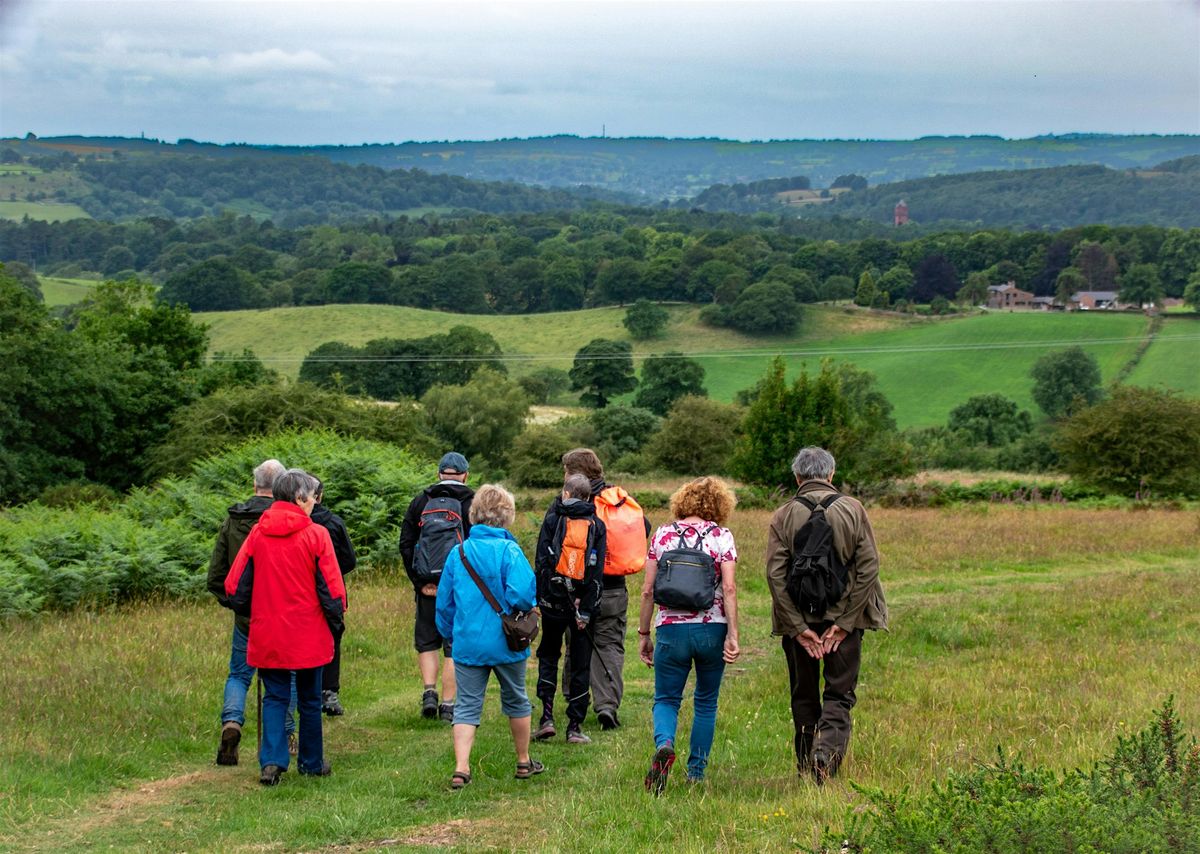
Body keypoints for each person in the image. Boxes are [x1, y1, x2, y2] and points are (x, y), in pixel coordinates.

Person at [765, 447, 888, 784]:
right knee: (839, 693)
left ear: (797, 477)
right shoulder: (853, 509)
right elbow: (868, 568)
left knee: (803, 694)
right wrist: (846, 623)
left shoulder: (783, 515)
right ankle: (826, 756)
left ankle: (807, 764)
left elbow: (775, 575)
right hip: (844, 621)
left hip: (798, 624)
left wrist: (797, 626)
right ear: (831, 474)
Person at [225, 468, 347, 786]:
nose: (312, 504)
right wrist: (337, 621)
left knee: (275, 697)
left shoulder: (257, 534)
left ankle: (272, 763)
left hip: (268, 631)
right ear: (298, 498)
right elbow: (333, 590)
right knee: (308, 699)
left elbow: (234, 585)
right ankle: (311, 761)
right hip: (309, 631)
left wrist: (255, 610)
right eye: (310, 497)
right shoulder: (316, 534)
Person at [434, 484, 542, 789]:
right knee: (516, 699)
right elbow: (522, 595)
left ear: (474, 514)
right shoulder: (510, 550)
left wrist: (450, 634)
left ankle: (461, 768)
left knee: (467, 705)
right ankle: (523, 761)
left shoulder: (460, 553)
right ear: (507, 515)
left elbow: (444, 604)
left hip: (468, 641)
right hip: (507, 641)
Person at [637, 477, 740, 794]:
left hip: (671, 629)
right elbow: (730, 588)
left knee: (667, 699)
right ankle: (696, 773)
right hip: (712, 627)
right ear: (719, 504)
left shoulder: (663, 535)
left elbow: (647, 591)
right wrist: (733, 633)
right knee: (706, 702)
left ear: (681, 501)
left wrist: (644, 633)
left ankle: (665, 744)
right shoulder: (722, 536)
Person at [207, 458, 297, 766]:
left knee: (239, 674)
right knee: (288, 675)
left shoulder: (234, 519)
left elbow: (216, 573)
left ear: (254, 484)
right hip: (283, 614)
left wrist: (235, 603)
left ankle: (231, 722)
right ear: (283, 486)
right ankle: (286, 735)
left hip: (246, 617)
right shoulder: (288, 521)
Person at [560, 448, 649, 731]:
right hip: (614, 588)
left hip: (578, 589)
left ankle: (575, 698)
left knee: (576, 642)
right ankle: (607, 705)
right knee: (609, 644)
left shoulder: (572, 500)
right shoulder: (620, 500)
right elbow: (643, 527)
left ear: (575, 474)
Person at [533, 473, 606, 745]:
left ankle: (546, 718)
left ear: (565, 493)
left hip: (553, 603)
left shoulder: (552, 520)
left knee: (549, 656)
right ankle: (574, 726)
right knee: (580, 663)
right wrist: (586, 608)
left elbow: (541, 563)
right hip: (581, 608)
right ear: (588, 497)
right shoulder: (597, 526)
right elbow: (597, 573)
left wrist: (540, 600)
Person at [399, 452, 473, 722]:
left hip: (427, 585)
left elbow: (406, 544)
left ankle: (429, 692)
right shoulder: (472, 501)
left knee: (427, 640)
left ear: (439, 473)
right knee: (453, 646)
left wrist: (420, 582)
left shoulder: (422, 500)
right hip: (460, 588)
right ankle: (448, 705)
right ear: (465, 474)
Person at [311, 477, 357, 717]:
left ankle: (303, 693)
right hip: (331, 591)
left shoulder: (299, 524)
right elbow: (350, 559)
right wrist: (332, 572)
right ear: (320, 495)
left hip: (300, 591)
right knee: (332, 639)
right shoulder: (334, 523)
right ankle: (329, 693)